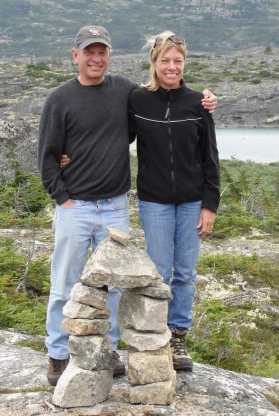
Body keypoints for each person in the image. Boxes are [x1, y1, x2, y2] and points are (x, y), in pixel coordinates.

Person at [38, 25, 217, 385]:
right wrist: (62, 196)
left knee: (119, 284)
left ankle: (112, 349)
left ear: (109, 55)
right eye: (89, 52)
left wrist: (208, 99)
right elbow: (47, 154)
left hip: (117, 205)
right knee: (65, 282)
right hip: (79, 207)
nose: (95, 58)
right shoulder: (64, 98)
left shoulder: (126, 91)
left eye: (102, 51)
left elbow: (175, 131)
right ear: (76, 55)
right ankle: (58, 354)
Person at [128, 31, 220, 371]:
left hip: (193, 201)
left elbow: (210, 157)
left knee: (185, 272)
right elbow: (114, 136)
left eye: (177, 61)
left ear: (184, 64)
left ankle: (178, 335)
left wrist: (210, 205)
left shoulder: (198, 103)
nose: (171, 66)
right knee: (157, 272)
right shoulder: (138, 100)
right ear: (153, 62)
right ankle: (156, 331)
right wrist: (69, 154)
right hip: (154, 202)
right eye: (165, 60)